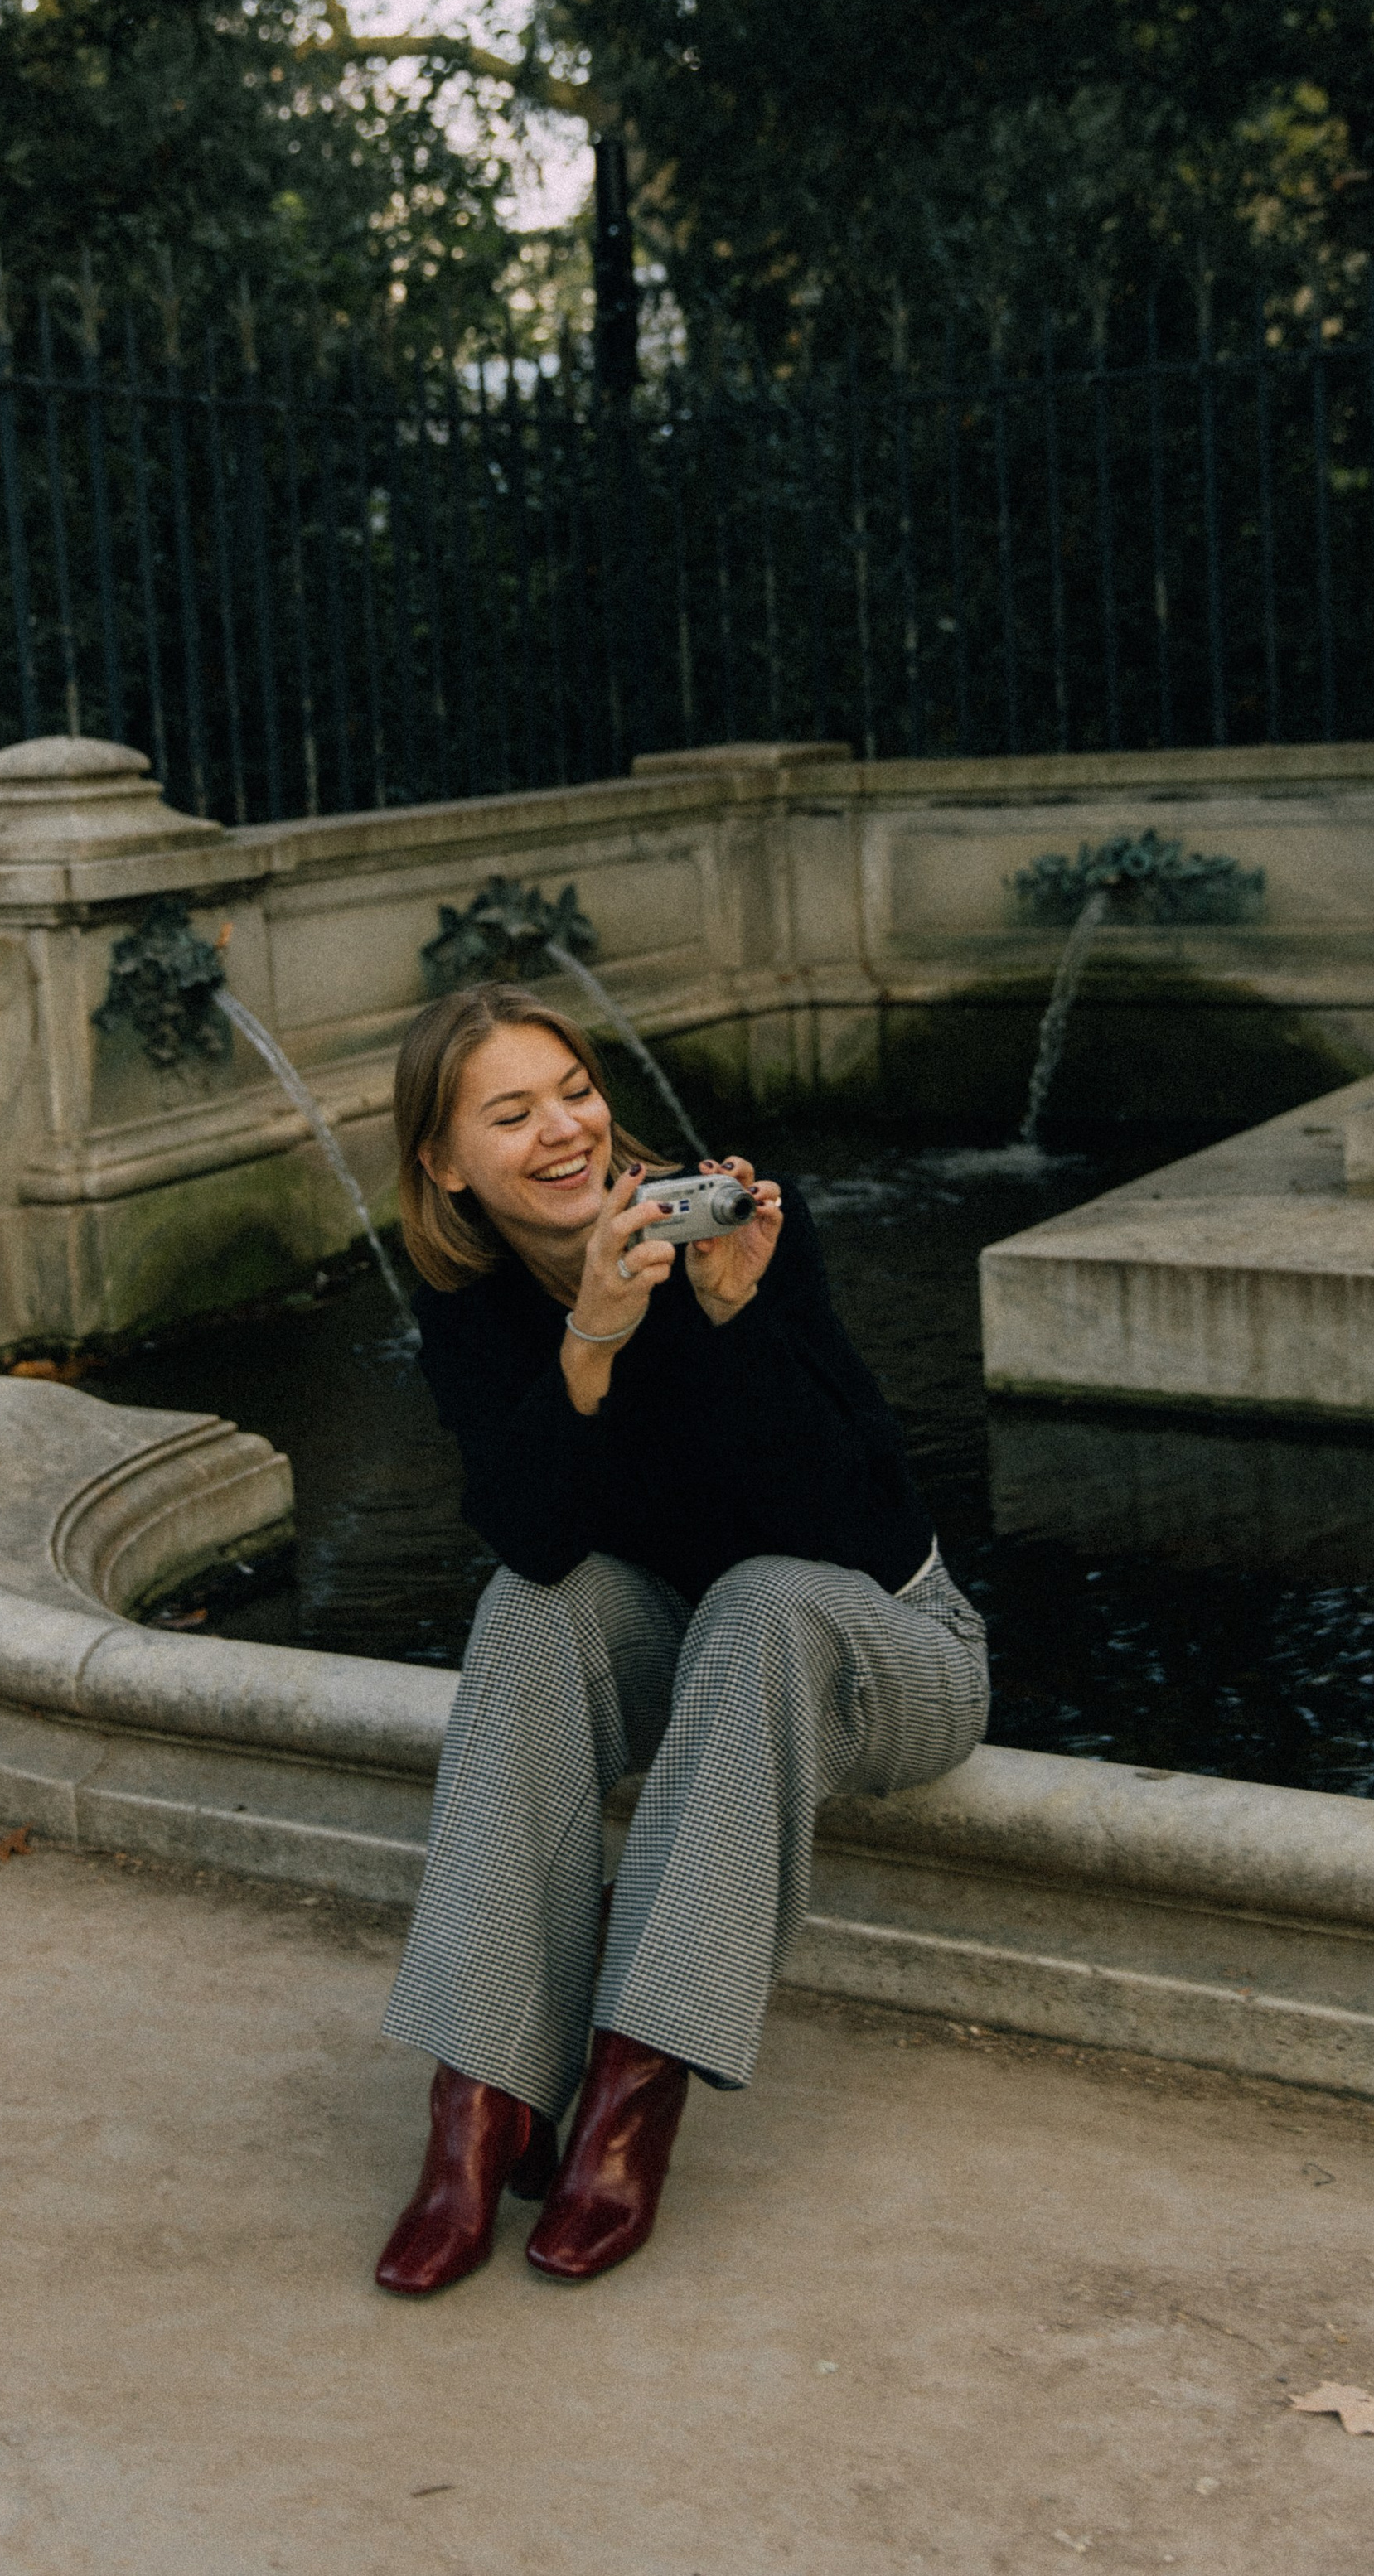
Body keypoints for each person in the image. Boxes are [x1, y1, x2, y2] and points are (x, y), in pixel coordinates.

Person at [374, 981, 989, 2294]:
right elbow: (534, 1537)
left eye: (576, 1091)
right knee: (529, 1607)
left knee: (766, 1595)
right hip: (700, 1647)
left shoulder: (734, 1226)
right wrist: (592, 1335)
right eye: (512, 1113)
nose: (564, 1129)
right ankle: (481, 2095)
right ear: (445, 1163)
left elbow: (846, 1525)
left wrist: (731, 1320)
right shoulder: (469, 1296)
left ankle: (630, 2090)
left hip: (885, 1640)